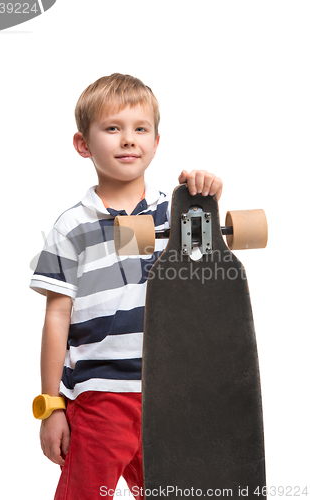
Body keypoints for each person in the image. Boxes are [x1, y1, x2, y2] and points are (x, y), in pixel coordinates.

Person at [30, 73, 223, 500]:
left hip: (169, 390)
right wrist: (51, 406)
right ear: (83, 144)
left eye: (140, 129)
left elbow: (205, 268)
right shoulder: (72, 225)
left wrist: (203, 195)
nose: (128, 140)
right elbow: (57, 316)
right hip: (101, 395)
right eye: (113, 128)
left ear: (156, 142)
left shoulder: (174, 216)